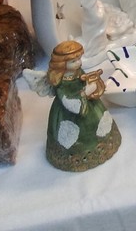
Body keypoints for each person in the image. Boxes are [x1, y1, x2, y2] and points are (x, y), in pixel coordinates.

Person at [43, 40, 121, 171]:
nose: (78, 63)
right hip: (70, 113)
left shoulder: (78, 71)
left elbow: (84, 80)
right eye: (73, 61)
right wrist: (86, 92)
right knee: (70, 134)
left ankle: (103, 143)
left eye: (79, 59)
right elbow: (68, 101)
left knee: (100, 122)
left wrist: (92, 83)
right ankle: (76, 155)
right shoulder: (61, 83)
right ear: (62, 64)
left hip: (89, 105)